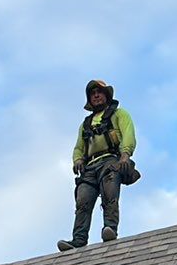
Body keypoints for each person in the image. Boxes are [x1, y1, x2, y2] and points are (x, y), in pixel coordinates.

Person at [58, 79, 136, 251]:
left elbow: (128, 134)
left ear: (106, 95)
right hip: (90, 166)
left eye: (99, 92)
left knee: (110, 194)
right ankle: (78, 239)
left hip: (110, 160)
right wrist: (78, 160)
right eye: (92, 94)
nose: (96, 95)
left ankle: (110, 229)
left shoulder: (119, 114)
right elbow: (79, 147)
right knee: (83, 200)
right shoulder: (85, 124)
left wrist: (125, 155)